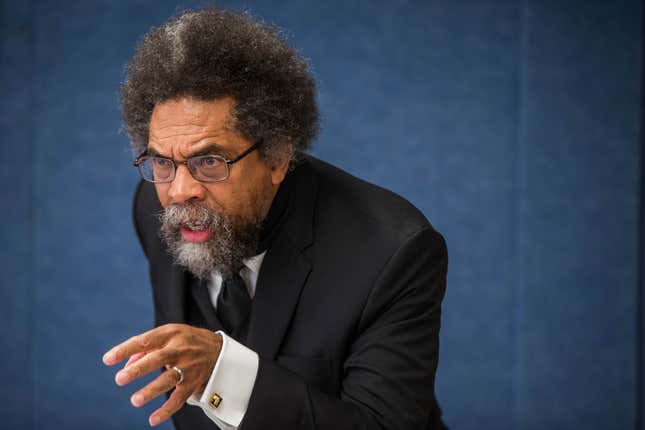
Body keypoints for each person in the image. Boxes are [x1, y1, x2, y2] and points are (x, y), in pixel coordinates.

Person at [103, 7, 448, 430]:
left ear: (277, 156)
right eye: (162, 162)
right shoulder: (154, 206)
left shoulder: (392, 251)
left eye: (209, 160)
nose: (179, 191)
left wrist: (224, 372)